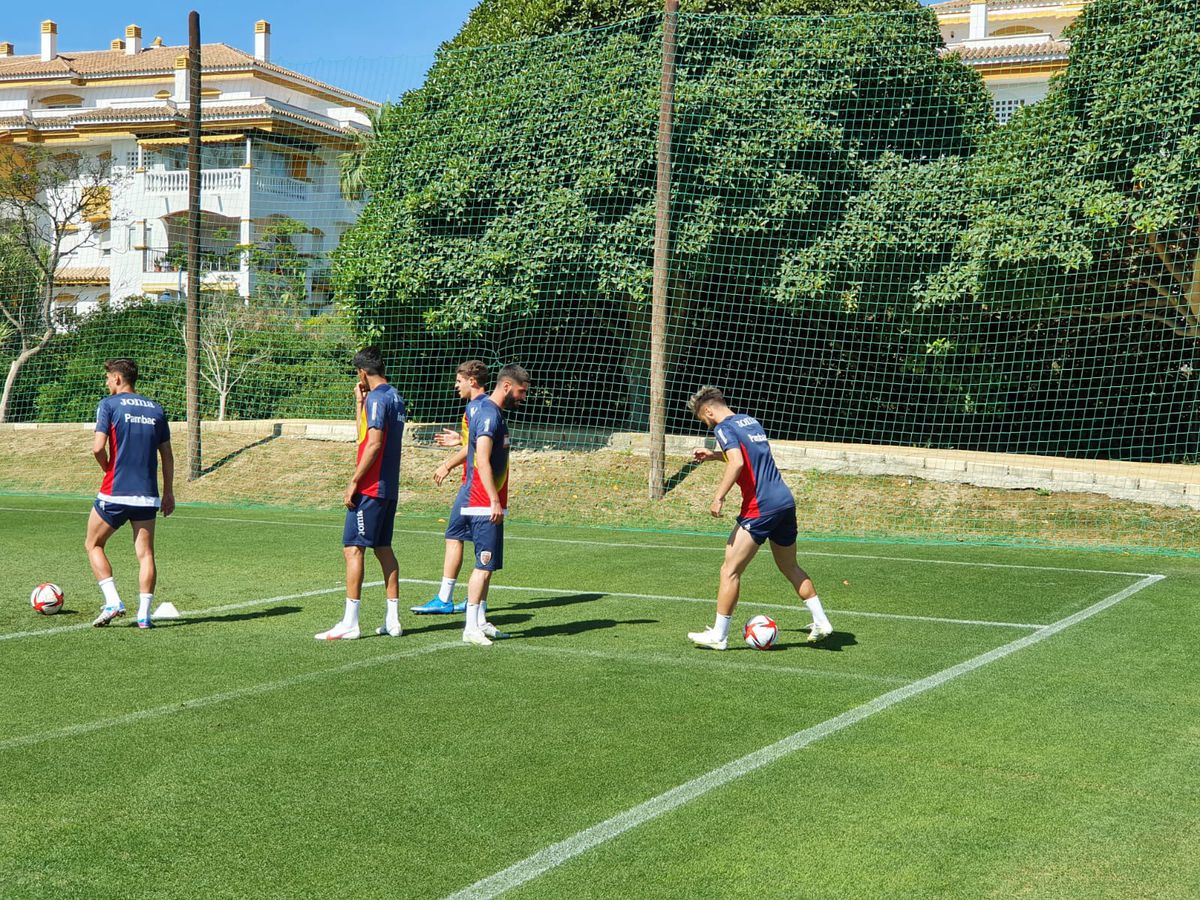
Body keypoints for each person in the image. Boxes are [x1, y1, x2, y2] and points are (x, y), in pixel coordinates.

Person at [685, 386, 833, 650]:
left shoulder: (723, 428)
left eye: (703, 419)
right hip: (783, 502)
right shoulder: (749, 420)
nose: (706, 424)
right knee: (790, 567)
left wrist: (718, 496)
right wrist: (714, 455)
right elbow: (750, 456)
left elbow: (738, 463)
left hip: (760, 507)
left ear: (708, 410)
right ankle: (821, 621)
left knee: (729, 570)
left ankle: (719, 636)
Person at [315, 347, 407, 641]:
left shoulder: (379, 399)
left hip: (370, 488)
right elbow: (365, 436)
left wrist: (354, 481)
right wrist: (359, 403)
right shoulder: (394, 397)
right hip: (388, 488)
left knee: (353, 548)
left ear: (362, 372)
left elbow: (374, 444)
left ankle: (350, 622)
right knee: (383, 549)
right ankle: (393, 621)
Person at [86, 358, 174, 629]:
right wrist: (168, 493)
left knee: (93, 544)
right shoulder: (156, 409)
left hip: (115, 491)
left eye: (108, 378)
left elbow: (97, 448)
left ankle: (113, 601)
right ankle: (144, 616)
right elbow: (168, 456)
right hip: (148, 494)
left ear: (118, 379)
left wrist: (107, 468)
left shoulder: (108, 405)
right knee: (146, 554)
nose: (106, 382)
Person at [451, 363, 530, 646]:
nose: (523, 397)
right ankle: (470, 627)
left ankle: (481, 620)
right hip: (484, 503)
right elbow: (481, 458)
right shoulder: (487, 414)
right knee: (482, 566)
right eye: (521, 391)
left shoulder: (488, 411)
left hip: (490, 502)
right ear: (507, 386)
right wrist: (494, 500)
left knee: (489, 566)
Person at [410, 360, 488, 617]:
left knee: (455, 535)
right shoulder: (478, 407)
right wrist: (460, 439)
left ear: (472, 381)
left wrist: (447, 465)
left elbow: (476, 446)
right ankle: (475, 601)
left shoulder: (477, 406)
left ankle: (446, 598)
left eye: (459, 381)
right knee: (470, 538)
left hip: (473, 484)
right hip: (475, 483)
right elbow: (473, 441)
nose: (456, 386)